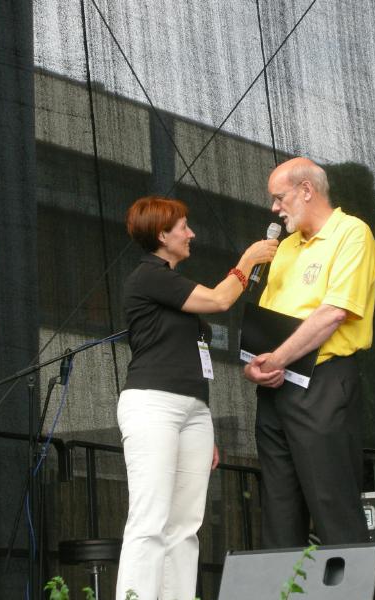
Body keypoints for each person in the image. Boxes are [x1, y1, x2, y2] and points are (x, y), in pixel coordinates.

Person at [115, 195, 278, 600]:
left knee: (186, 526)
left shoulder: (172, 286)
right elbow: (220, 299)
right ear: (161, 235)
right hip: (152, 404)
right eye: (183, 227)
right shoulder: (149, 275)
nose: (191, 234)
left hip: (193, 410)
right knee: (150, 520)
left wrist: (201, 426)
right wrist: (248, 260)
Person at [243, 157, 375, 548]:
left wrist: (277, 358)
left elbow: (334, 312)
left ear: (306, 190)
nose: (274, 208)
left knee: (331, 504)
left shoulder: (351, 233)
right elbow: (267, 319)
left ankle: (350, 581)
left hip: (322, 381)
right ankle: (286, 582)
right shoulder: (284, 248)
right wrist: (253, 365)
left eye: (279, 197)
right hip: (275, 387)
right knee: (279, 508)